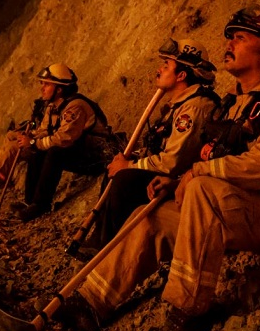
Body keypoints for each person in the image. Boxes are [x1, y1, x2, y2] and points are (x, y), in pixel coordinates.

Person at [58, 4, 260, 331]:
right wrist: (175, 181)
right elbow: (217, 161)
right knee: (151, 215)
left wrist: (195, 175)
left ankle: (186, 313)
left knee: (201, 188)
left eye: (240, 38)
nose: (229, 42)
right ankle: (91, 301)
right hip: (236, 208)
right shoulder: (238, 104)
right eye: (230, 35)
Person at [85, 38, 219, 250]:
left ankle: (106, 246)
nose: (159, 69)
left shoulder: (194, 108)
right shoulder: (178, 105)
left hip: (179, 182)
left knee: (124, 179)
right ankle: (100, 235)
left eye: (167, 66)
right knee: (115, 169)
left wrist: (129, 167)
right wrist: (131, 159)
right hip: (165, 173)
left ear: (181, 75)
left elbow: (172, 162)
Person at [0, 63, 111, 222]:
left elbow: (63, 139)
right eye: (42, 84)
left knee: (53, 152)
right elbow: (45, 130)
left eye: (46, 84)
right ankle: (29, 202)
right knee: (38, 149)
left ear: (59, 89)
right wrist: (27, 136)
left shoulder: (75, 107)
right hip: (77, 151)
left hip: (96, 157)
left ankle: (41, 204)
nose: (42, 88)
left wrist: (33, 143)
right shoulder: (54, 106)